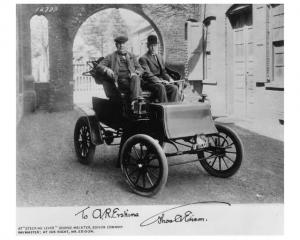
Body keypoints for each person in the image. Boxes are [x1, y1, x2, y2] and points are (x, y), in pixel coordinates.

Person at [96, 35, 143, 103]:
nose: (121, 46)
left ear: (126, 45)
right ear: (116, 45)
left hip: (132, 79)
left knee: (135, 77)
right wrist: (107, 69)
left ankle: (134, 101)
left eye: (123, 44)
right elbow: (99, 66)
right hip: (120, 80)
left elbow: (139, 68)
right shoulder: (111, 56)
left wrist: (137, 72)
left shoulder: (132, 55)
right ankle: (136, 101)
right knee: (136, 83)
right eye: (119, 44)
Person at [139, 35, 179, 103]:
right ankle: (165, 109)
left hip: (160, 82)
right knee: (161, 87)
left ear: (157, 46)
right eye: (151, 46)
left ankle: (173, 108)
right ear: (147, 46)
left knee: (174, 88)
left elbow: (163, 72)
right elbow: (147, 74)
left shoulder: (159, 57)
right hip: (149, 83)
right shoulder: (143, 58)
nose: (153, 48)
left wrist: (169, 79)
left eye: (155, 46)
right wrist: (160, 81)